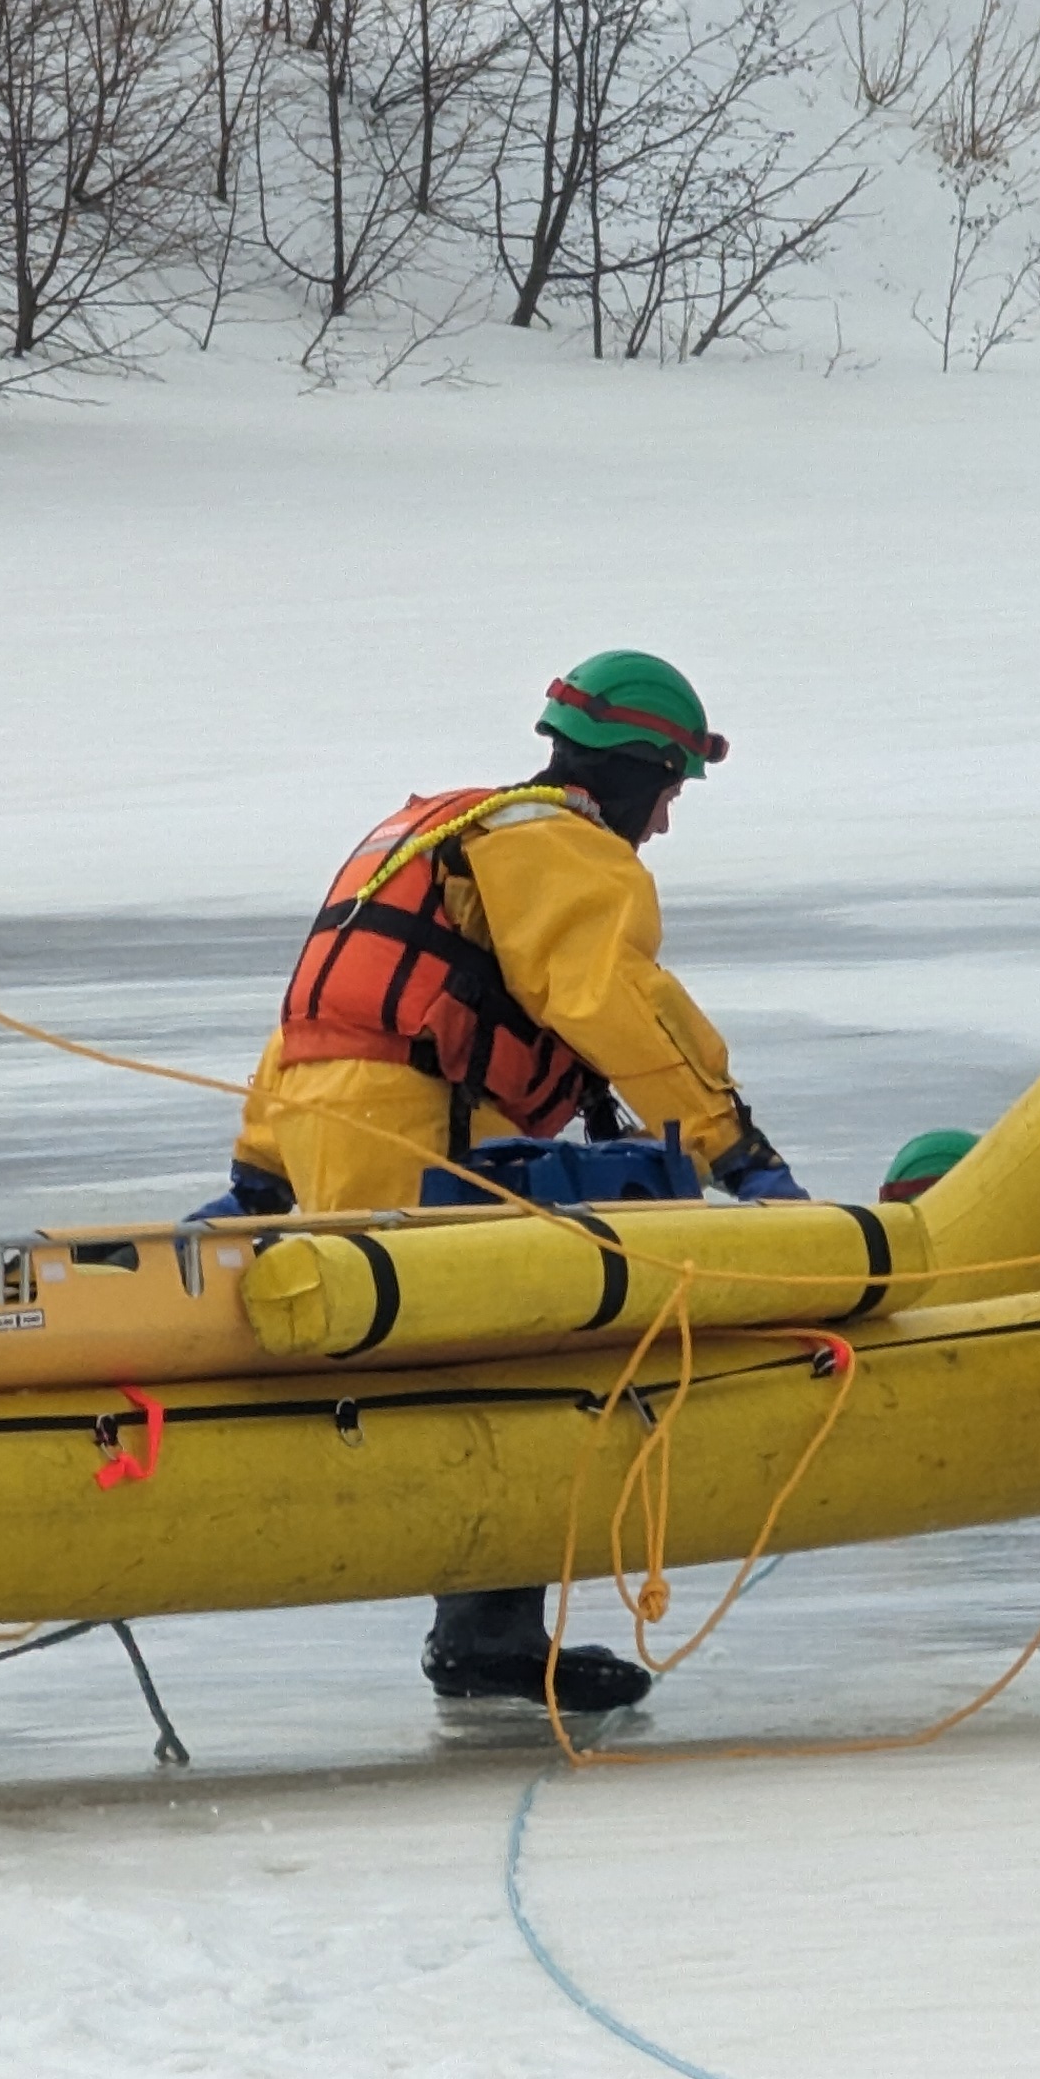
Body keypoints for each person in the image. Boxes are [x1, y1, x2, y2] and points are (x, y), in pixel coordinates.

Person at [223, 649, 806, 1714]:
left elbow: (323, 1013)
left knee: (447, 1359)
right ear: (636, 768)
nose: (663, 825)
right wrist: (740, 1154)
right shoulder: (560, 844)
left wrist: (260, 1174)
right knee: (509, 1363)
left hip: (330, 1122)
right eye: (668, 793)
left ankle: (483, 1623)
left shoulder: (437, 828)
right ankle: (488, 1633)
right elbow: (615, 1003)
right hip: (413, 1129)